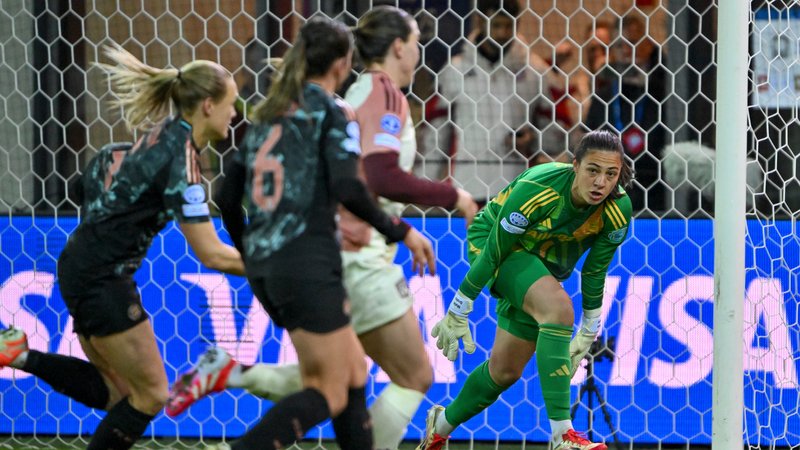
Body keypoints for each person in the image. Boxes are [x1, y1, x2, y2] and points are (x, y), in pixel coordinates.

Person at [166, 7, 478, 450]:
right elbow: (365, 181)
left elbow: (226, 193)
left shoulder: (271, 114)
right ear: (342, 63)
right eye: (413, 42)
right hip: (331, 259)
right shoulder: (350, 105)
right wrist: (406, 227)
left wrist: (251, 254)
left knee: (347, 375)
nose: (416, 53)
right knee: (373, 381)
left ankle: (230, 372)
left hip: (274, 264)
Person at [0, 44, 246, 449]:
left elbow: (91, 177)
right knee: (151, 395)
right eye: (231, 104)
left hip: (80, 267)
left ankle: (21, 355)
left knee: (118, 395)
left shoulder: (157, 137)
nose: (235, 114)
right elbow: (211, 254)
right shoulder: (182, 160)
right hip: (103, 278)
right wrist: (277, 269)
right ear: (207, 105)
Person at [416, 130, 633, 450]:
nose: (601, 182)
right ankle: (564, 435)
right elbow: (493, 252)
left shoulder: (617, 211)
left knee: (504, 371)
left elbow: (594, 271)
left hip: (539, 265)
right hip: (494, 244)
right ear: (575, 166)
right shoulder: (539, 188)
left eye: (610, 174)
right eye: (593, 170)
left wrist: (588, 331)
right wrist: (459, 308)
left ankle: (441, 426)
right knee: (557, 310)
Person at [437, 0, 543, 205]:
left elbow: (556, 130)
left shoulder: (535, 71)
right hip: (466, 185)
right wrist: (426, 184)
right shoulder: (455, 70)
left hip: (518, 187)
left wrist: (533, 139)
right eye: (496, 25)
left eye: (508, 26)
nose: (502, 33)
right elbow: (436, 130)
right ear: (481, 21)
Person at [584, 12, 668, 214]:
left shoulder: (664, 93)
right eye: (620, 45)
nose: (628, 51)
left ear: (648, 46)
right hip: (609, 198)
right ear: (613, 50)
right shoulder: (603, 97)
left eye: (634, 42)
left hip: (658, 196)